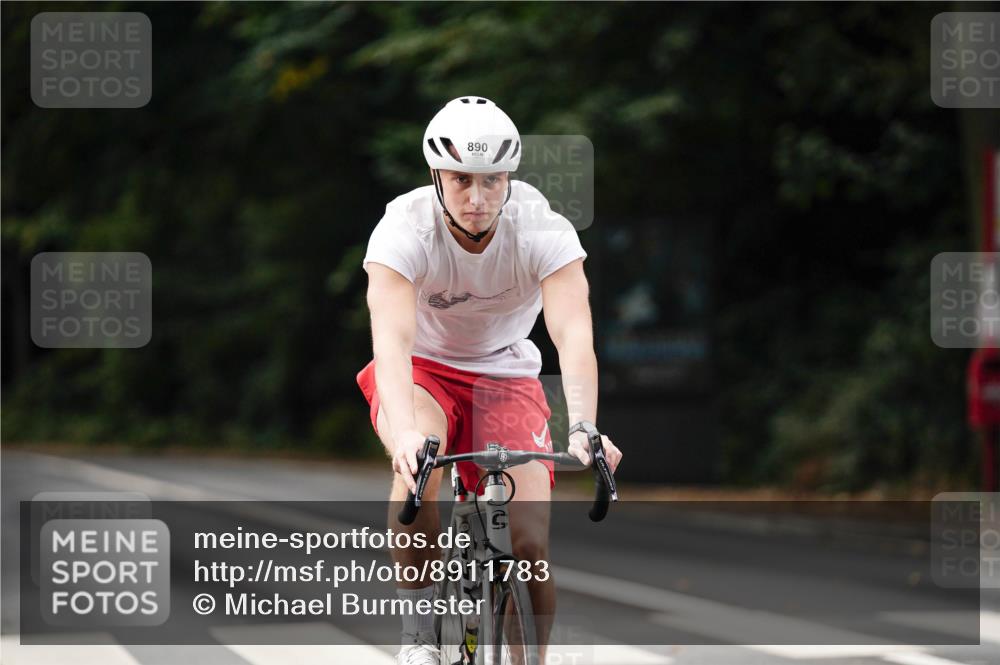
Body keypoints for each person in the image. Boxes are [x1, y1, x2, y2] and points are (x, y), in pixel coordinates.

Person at [356, 96, 623, 665]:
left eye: (493, 182)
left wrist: (584, 426)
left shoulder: (541, 228)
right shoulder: (403, 228)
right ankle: (420, 634)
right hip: (423, 369)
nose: (478, 200)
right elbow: (393, 343)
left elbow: (573, 333)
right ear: (436, 176)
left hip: (505, 373)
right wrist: (403, 436)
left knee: (528, 545)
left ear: (510, 177)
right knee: (420, 464)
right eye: (460, 182)